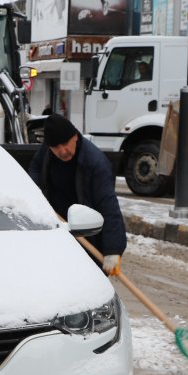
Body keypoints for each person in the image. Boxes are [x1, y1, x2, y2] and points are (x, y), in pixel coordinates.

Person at [27, 114, 127, 275]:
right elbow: (36, 169)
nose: (62, 151)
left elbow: (108, 206)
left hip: (87, 233)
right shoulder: (47, 151)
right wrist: (33, 191)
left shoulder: (95, 163)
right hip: (58, 227)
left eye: (65, 144)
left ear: (75, 136)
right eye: (56, 147)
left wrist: (112, 250)